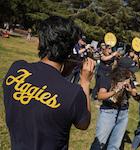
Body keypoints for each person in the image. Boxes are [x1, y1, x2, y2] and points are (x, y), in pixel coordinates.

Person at [2, 16, 95, 150]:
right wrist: (85, 82)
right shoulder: (72, 93)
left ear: (41, 42)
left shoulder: (16, 69)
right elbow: (83, 123)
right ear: (69, 51)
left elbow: (44, 85)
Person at [90, 57, 140, 150]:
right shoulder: (108, 77)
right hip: (109, 112)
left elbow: (135, 95)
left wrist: (131, 91)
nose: (132, 73)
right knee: (99, 144)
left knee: (115, 146)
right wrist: (115, 90)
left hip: (123, 113)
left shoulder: (129, 79)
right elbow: (100, 96)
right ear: (122, 70)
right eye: (130, 71)